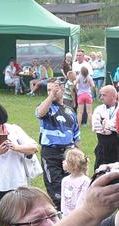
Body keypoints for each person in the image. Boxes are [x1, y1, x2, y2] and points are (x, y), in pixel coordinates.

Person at [36, 77, 80, 209]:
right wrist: (51, 96)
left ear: (62, 89)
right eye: (48, 90)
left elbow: (76, 135)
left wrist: (79, 155)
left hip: (69, 153)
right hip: (51, 154)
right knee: (56, 190)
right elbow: (40, 113)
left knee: (72, 187)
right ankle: (60, 216)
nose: (51, 92)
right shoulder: (47, 107)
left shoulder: (69, 111)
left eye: (54, 89)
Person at [91, 85, 119, 170]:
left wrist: (106, 123)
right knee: (101, 172)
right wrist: (111, 125)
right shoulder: (98, 109)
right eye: (101, 95)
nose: (101, 97)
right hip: (103, 148)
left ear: (113, 96)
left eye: (104, 95)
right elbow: (97, 127)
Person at [60, 147, 91, 215]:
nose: (63, 162)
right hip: (66, 216)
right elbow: (63, 201)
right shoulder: (65, 180)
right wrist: (63, 214)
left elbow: (82, 200)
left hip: (79, 215)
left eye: (66, 160)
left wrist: (75, 216)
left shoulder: (85, 180)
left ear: (74, 165)